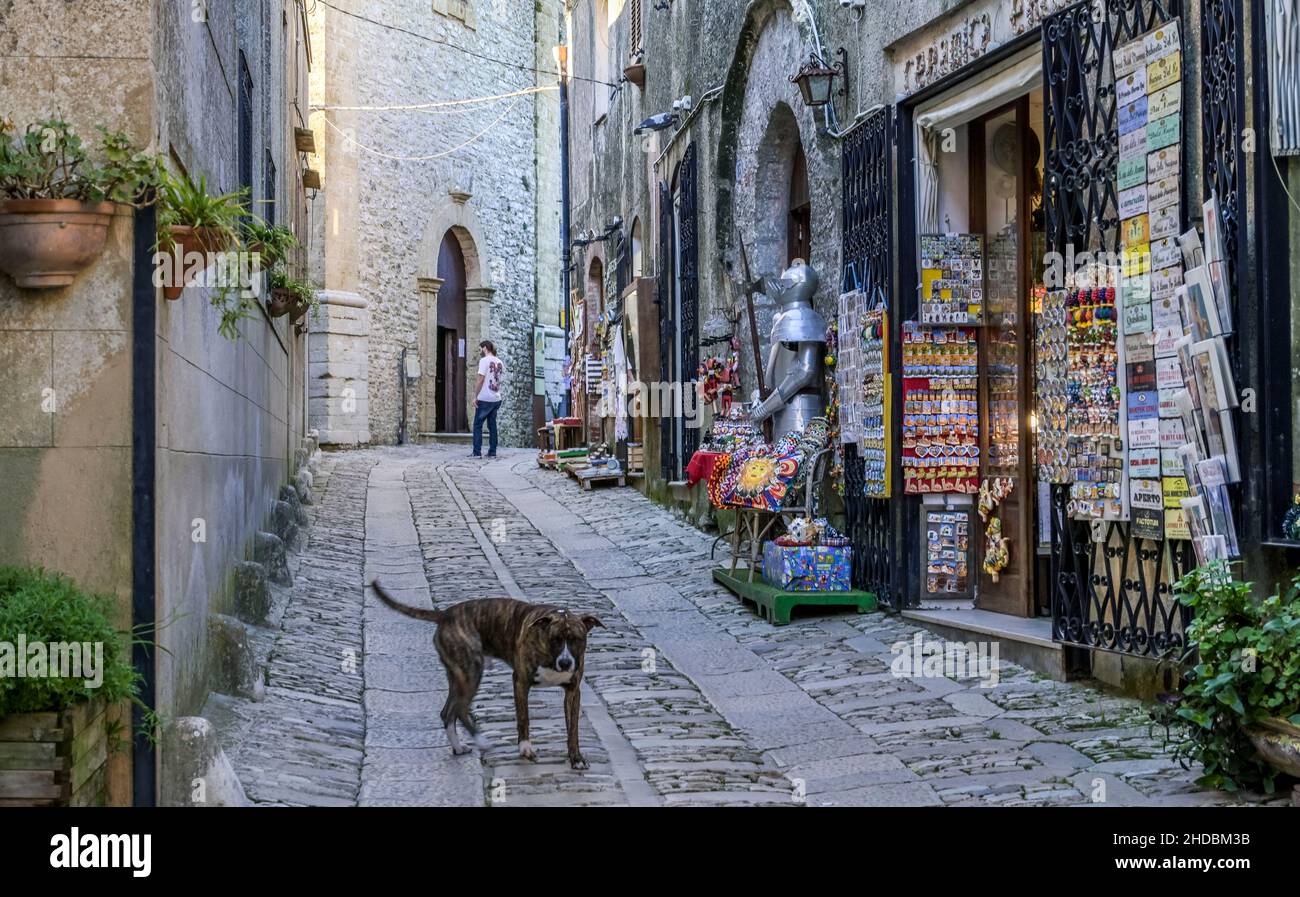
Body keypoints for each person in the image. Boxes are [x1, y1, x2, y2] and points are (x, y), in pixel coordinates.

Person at [471, 340, 503, 458]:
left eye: (480, 349)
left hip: (485, 397)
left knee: (478, 424)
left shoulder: (484, 361)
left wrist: (475, 396)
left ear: (485, 348)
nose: (479, 352)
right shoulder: (499, 361)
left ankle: (477, 451)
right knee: (492, 425)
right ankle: (492, 451)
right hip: (496, 397)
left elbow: (481, 380)